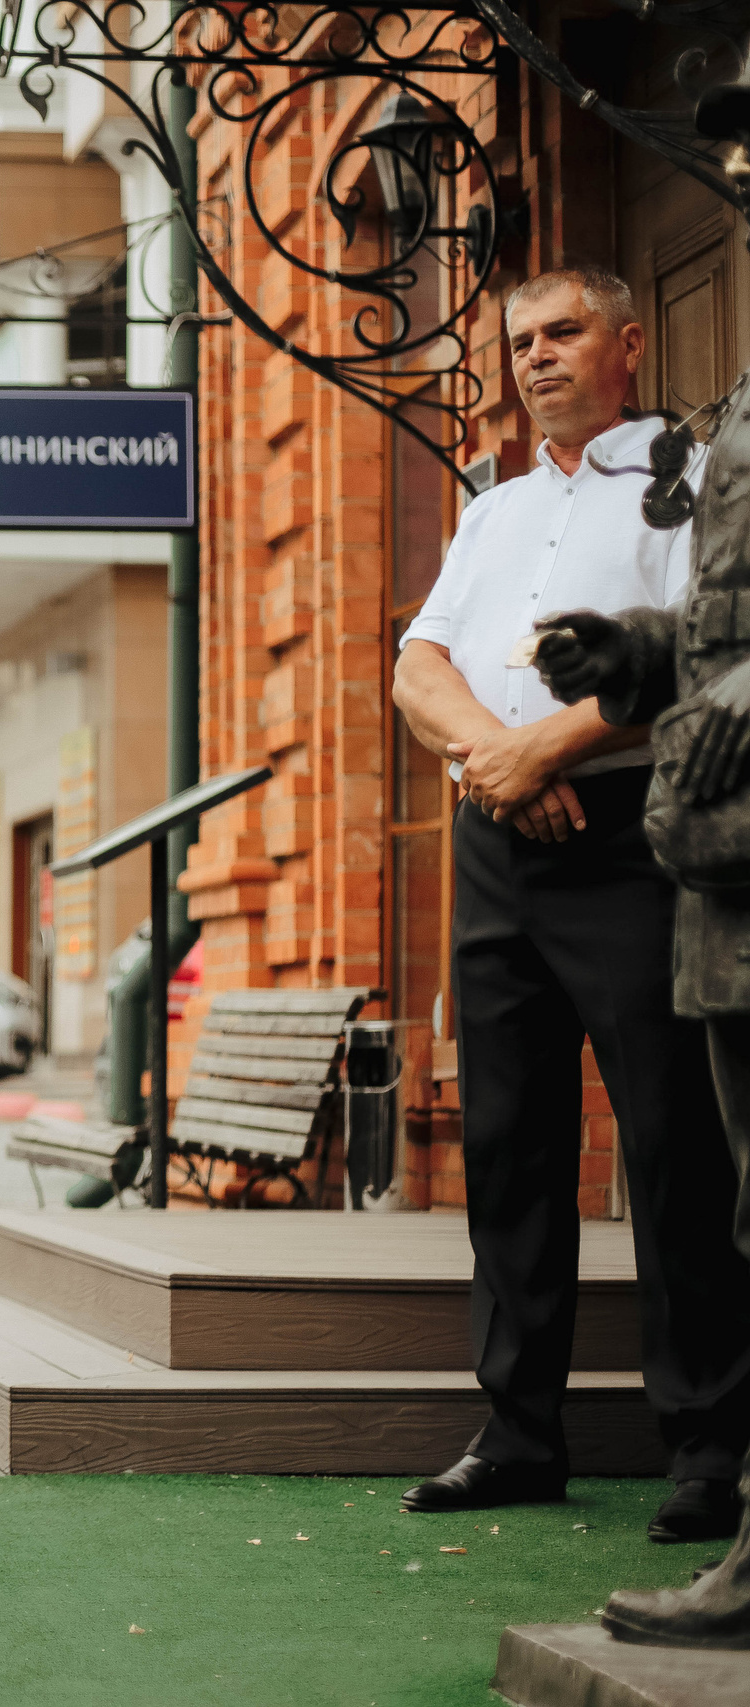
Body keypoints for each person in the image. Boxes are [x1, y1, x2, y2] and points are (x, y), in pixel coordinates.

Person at [389, 265, 750, 1541]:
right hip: (497, 842)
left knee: (673, 1145)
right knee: (508, 1143)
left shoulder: (691, 476)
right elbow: (417, 662)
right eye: (521, 341)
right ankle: (518, 1433)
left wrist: (546, 752)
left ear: (628, 342)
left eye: (563, 333)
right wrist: (497, 757)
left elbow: (712, 650)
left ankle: (708, 1450)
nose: (536, 357)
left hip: (631, 836)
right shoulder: (492, 504)